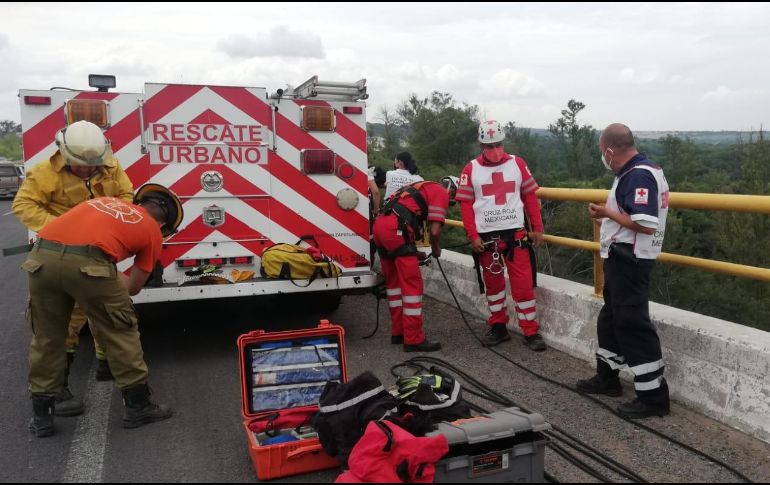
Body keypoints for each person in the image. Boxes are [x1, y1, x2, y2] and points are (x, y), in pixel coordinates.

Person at [25, 183, 184, 437]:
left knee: (46, 337)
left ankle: (42, 415)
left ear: (141, 203)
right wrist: (112, 274)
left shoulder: (101, 202)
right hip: (89, 267)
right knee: (121, 330)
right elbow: (132, 288)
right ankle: (138, 406)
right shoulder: (152, 231)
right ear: (164, 225)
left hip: (41, 258)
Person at [12, 120, 134, 417]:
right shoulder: (44, 173)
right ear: (64, 154)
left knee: (107, 313)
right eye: (80, 166)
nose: (87, 170)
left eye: (92, 166)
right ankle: (59, 389)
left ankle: (105, 364)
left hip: (98, 253)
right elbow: (24, 206)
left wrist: (112, 226)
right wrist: (63, 229)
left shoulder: (111, 167)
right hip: (60, 253)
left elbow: (127, 198)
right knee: (63, 323)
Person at [576, 124, 671, 419]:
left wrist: (606, 213)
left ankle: (653, 396)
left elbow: (645, 223)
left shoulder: (638, 174)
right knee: (611, 319)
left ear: (609, 150)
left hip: (631, 260)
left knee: (633, 324)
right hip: (621, 260)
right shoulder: (636, 171)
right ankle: (607, 378)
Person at [455, 120, 547, 351]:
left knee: (524, 287)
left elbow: (530, 198)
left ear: (503, 142)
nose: (494, 150)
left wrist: (537, 228)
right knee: (493, 287)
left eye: (497, 144)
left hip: (516, 236)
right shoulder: (470, 169)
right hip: (487, 241)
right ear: (481, 145)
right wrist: (472, 236)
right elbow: (465, 205)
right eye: (489, 145)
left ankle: (531, 331)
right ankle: (498, 327)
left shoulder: (517, 163)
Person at [372, 177, 457, 352]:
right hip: (396, 230)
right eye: (453, 198)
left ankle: (399, 333)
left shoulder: (420, 187)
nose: (451, 202)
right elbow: (434, 230)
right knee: (412, 288)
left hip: (381, 228)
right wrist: (436, 248)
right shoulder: (441, 192)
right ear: (453, 190)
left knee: (394, 286)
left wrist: (413, 252)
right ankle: (413, 339)